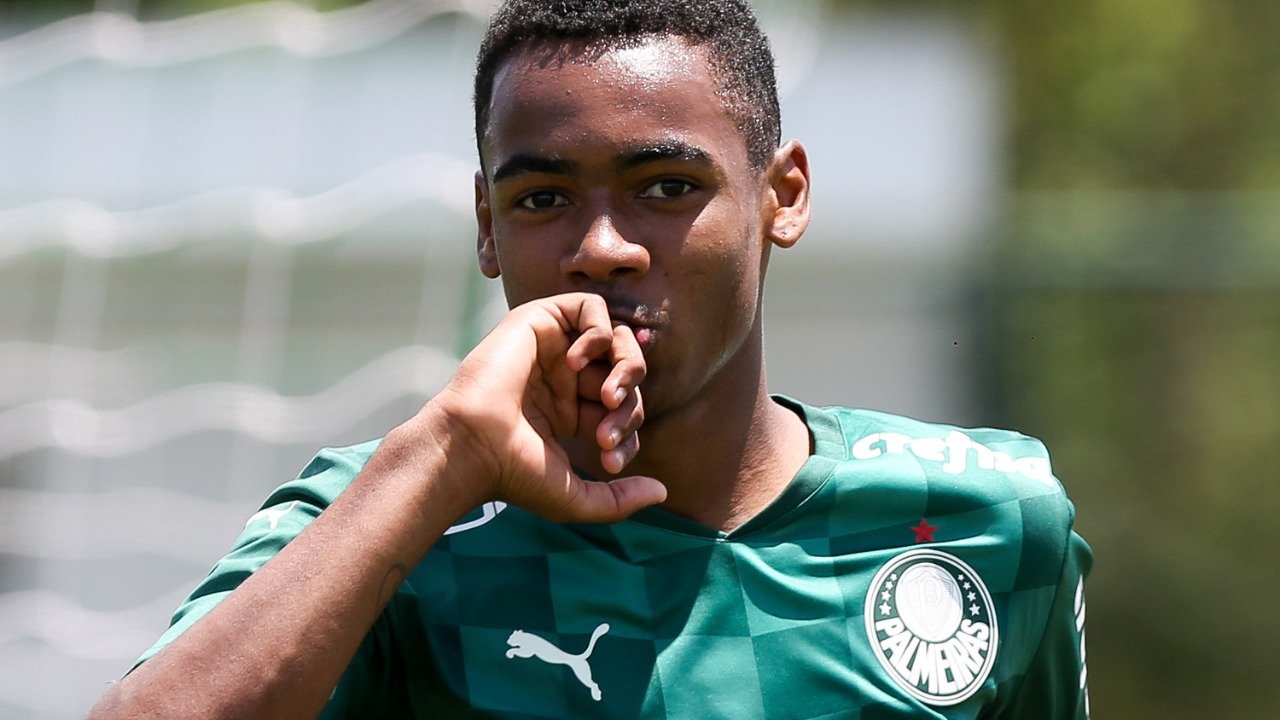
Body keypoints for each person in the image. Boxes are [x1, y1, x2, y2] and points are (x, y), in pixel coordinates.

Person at [89, 0, 1091, 718]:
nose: (601, 248)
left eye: (665, 187)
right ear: (487, 228)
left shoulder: (985, 521)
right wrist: (441, 455)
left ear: (781, 196)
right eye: (541, 199)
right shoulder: (386, 523)